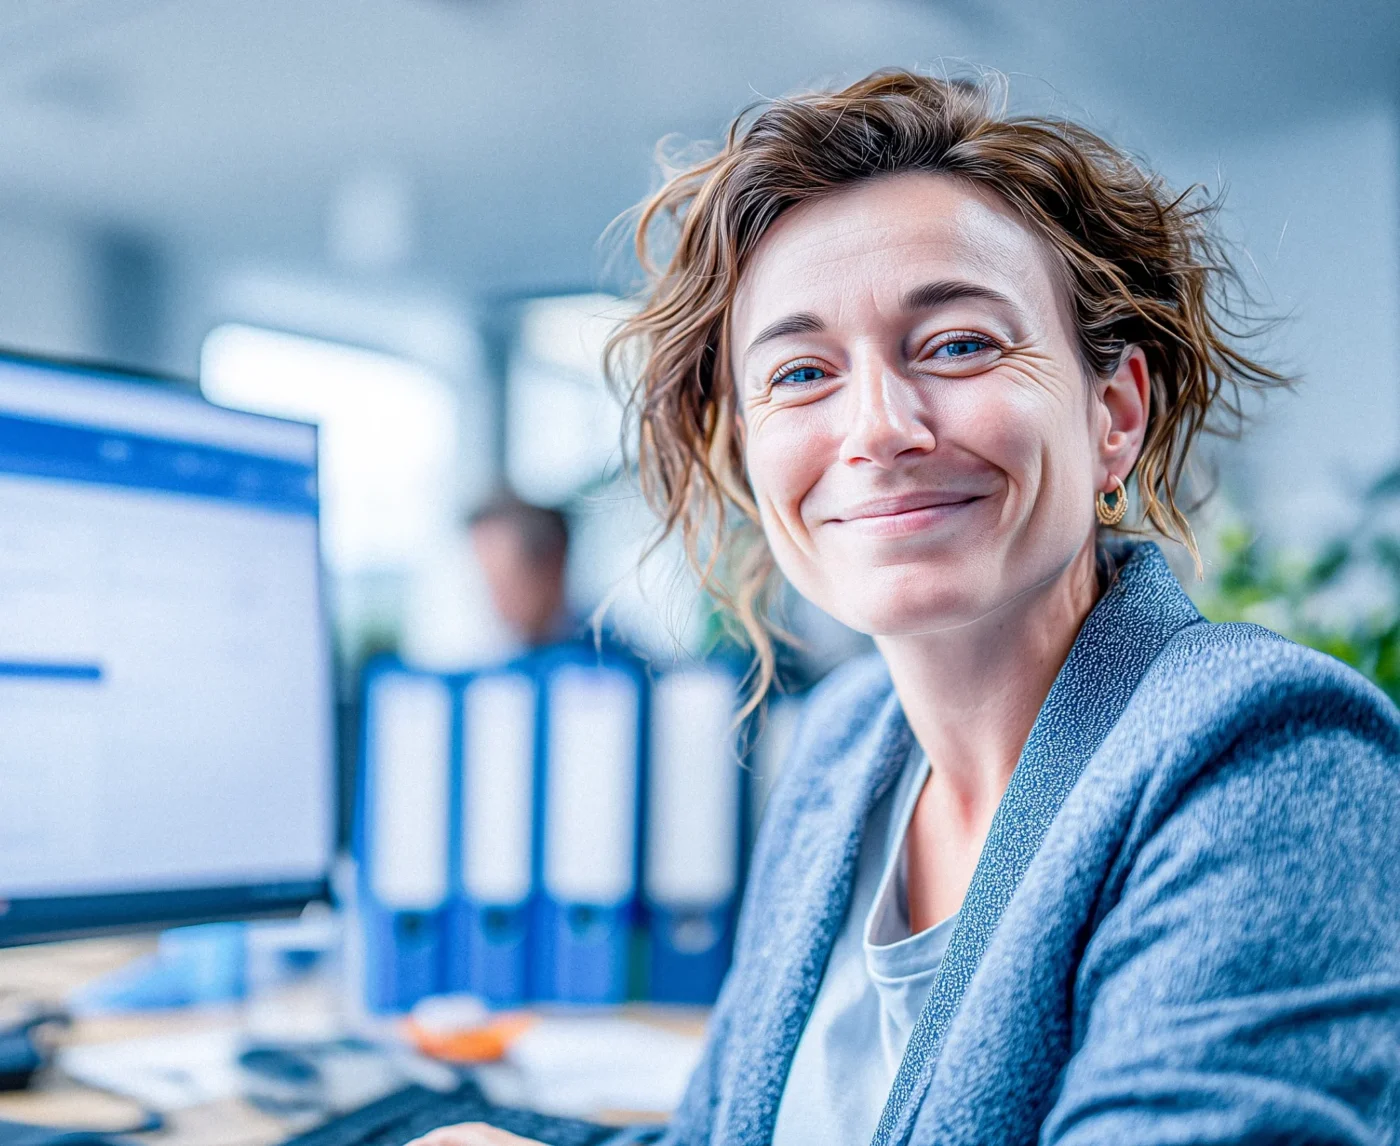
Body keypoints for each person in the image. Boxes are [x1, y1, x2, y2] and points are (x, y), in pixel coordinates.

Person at [416, 70, 1400, 1146]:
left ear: (1112, 415)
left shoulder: (1266, 758)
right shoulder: (844, 750)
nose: (876, 428)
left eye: (959, 344)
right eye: (798, 373)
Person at [465, 492, 574, 652]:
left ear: (553, 566)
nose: (496, 603)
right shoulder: (486, 659)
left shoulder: (608, 660)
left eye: (504, 586)